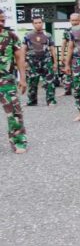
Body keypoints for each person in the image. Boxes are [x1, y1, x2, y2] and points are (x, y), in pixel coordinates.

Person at [0, 9, 28, 153]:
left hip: (6, 81)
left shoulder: (11, 36)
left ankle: (18, 142)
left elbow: (19, 58)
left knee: (14, 112)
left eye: (3, 20)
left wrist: (22, 78)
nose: (1, 22)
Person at [22, 16, 57, 106]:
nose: (38, 24)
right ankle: (32, 101)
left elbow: (52, 49)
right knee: (32, 81)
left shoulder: (47, 35)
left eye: (40, 22)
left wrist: (55, 62)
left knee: (50, 81)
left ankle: (51, 100)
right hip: (32, 61)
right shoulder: (27, 35)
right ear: (33, 24)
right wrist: (24, 62)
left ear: (42, 23)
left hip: (46, 60)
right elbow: (23, 49)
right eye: (36, 23)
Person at [61, 13, 80, 96]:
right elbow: (64, 43)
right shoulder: (67, 31)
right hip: (70, 54)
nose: (74, 22)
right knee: (67, 71)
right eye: (72, 20)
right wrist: (62, 55)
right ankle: (67, 90)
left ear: (79, 20)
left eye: (76, 20)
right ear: (70, 20)